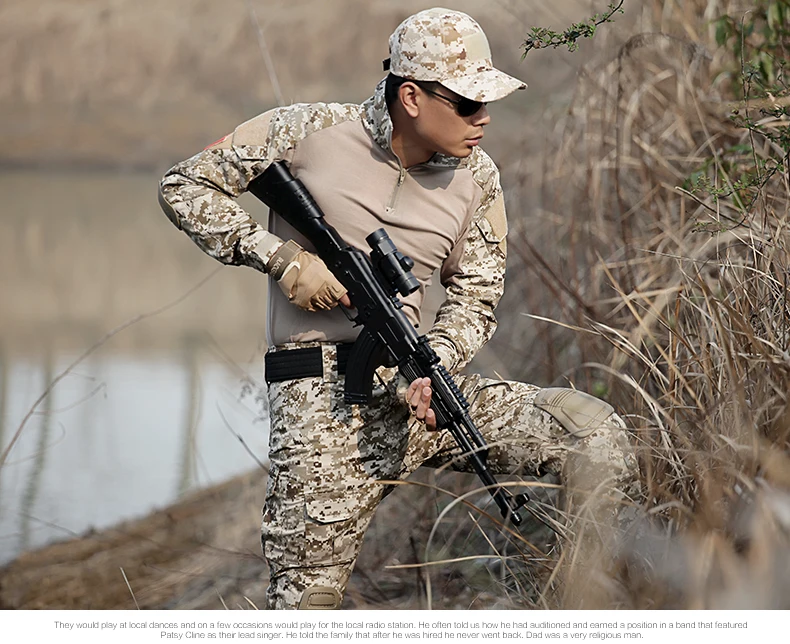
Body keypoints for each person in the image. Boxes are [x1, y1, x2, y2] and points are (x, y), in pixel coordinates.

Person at [158, 8, 640, 610]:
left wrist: (436, 364)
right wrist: (281, 259)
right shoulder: (307, 130)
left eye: (486, 102)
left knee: (595, 436)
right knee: (305, 607)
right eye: (468, 103)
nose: (483, 118)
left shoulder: (479, 180)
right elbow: (184, 184)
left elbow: (476, 296)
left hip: (424, 391)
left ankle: (581, 608)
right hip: (321, 407)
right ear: (411, 96)